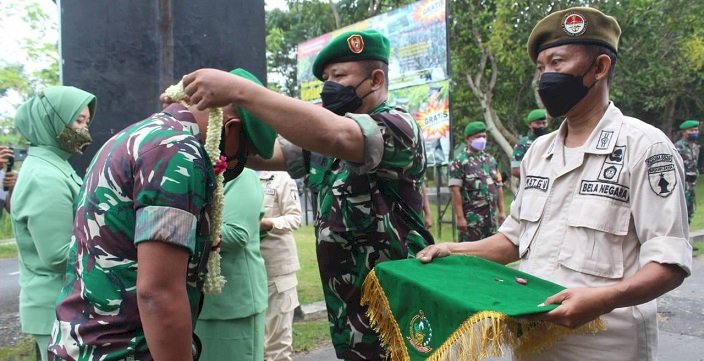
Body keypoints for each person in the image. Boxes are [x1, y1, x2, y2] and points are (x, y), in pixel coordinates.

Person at [416, 7, 692, 361]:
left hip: (606, 347)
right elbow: (513, 240)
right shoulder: (538, 152)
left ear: (600, 67)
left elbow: (668, 264)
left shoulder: (645, 148)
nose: (546, 76)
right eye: (542, 67)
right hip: (532, 342)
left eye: (558, 63)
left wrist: (604, 299)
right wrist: (455, 250)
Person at [175, 29, 433, 360]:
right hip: (352, 317)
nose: (330, 86)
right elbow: (256, 153)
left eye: (339, 76)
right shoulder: (324, 146)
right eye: (326, 78)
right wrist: (192, 120)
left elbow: (337, 135)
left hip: (402, 314)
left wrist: (240, 91)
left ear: (376, 79)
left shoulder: (399, 126)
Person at [48, 69, 276, 361]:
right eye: (244, 152)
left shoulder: (139, 135)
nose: (235, 163)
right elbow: (159, 293)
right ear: (230, 128)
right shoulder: (177, 152)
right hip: (124, 349)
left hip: (87, 341)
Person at [10, 86, 96, 361]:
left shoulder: (55, 166)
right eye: (78, 121)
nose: (84, 129)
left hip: (66, 307)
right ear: (53, 122)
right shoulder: (44, 177)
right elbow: (57, 255)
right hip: (56, 309)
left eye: (87, 122)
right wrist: (114, 243)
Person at [196, 168, 267, 361]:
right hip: (193, 303)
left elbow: (237, 234)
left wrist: (177, 223)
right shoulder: (189, 172)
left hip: (231, 305)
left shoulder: (241, 176)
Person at [258, 170, 302, 361]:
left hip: (277, 272)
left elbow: (295, 218)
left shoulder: (281, 178)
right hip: (246, 270)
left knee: (277, 347)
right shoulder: (236, 173)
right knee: (254, 345)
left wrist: (268, 223)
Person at [448, 121, 505, 242]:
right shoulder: (459, 162)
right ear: (468, 139)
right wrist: (460, 217)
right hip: (472, 221)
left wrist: (502, 212)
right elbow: (455, 190)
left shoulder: (490, 160)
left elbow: (499, 187)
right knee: (470, 255)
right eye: (478, 137)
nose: (482, 140)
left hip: (491, 220)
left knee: (492, 254)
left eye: (484, 136)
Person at [511, 109, 548, 178]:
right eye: (538, 123)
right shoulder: (523, 144)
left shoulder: (551, 141)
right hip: (530, 185)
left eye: (544, 123)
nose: (541, 126)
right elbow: (515, 170)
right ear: (530, 125)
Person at [675, 119, 700, 224]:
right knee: (681, 211)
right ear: (684, 132)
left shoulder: (695, 147)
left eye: (696, 130)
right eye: (692, 130)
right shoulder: (678, 147)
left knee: (690, 210)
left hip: (691, 184)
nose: (695, 133)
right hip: (682, 184)